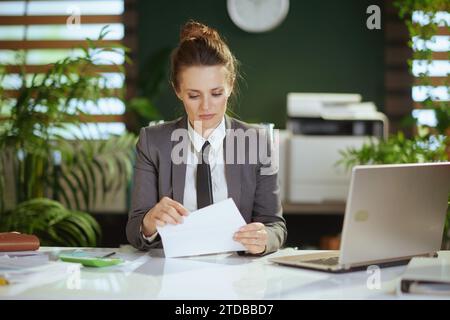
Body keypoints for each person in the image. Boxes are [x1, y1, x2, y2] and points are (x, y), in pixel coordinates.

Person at [126, 20, 286, 255]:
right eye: (193, 95)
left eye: (216, 93)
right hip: (174, 275)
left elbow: (275, 225)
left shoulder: (258, 142)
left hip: (238, 277)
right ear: (178, 91)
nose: (206, 106)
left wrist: (264, 238)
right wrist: (150, 222)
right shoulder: (153, 143)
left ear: (230, 85)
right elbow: (134, 230)